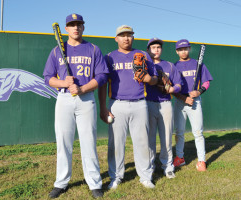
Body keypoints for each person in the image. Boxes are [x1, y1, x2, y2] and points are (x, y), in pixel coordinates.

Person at [43, 13, 109, 199]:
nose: (76, 27)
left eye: (79, 24)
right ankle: (61, 183)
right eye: (72, 25)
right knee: (63, 142)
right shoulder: (57, 50)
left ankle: (94, 183)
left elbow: (102, 76)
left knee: (89, 141)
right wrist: (64, 83)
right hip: (64, 99)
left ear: (83, 27)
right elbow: (48, 78)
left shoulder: (93, 49)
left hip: (86, 99)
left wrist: (83, 88)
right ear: (66, 29)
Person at [98, 25, 158, 190]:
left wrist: (148, 78)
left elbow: (155, 79)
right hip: (117, 103)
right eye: (122, 35)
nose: (126, 38)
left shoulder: (143, 55)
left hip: (140, 103)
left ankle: (145, 177)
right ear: (116, 38)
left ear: (133, 37)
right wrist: (103, 107)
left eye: (129, 35)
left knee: (142, 142)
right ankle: (115, 177)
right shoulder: (109, 57)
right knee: (116, 143)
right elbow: (102, 84)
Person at [172, 39, 213, 172]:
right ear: (177, 51)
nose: (183, 51)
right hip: (180, 101)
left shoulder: (197, 64)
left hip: (195, 101)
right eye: (180, 49)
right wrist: (183, 98)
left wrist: (198, 91)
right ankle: (180, 157)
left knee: (198, 132)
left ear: (189, 49)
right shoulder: (174, 66)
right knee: (179, 132)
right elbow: (172, 88)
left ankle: (202, 160)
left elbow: (206, 82)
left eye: (185, 48)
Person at [146, 38, 182, 179]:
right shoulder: (145, 64)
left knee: (166, 136)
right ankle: (149, 167)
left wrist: (173, 88)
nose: (156, 49)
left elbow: (179, 84)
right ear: (148, 49)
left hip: (165, 103)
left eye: (158, 47)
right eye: (153, 47)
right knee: (149, 139)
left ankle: (167, 166)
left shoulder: (169, 66)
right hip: (148, 103)